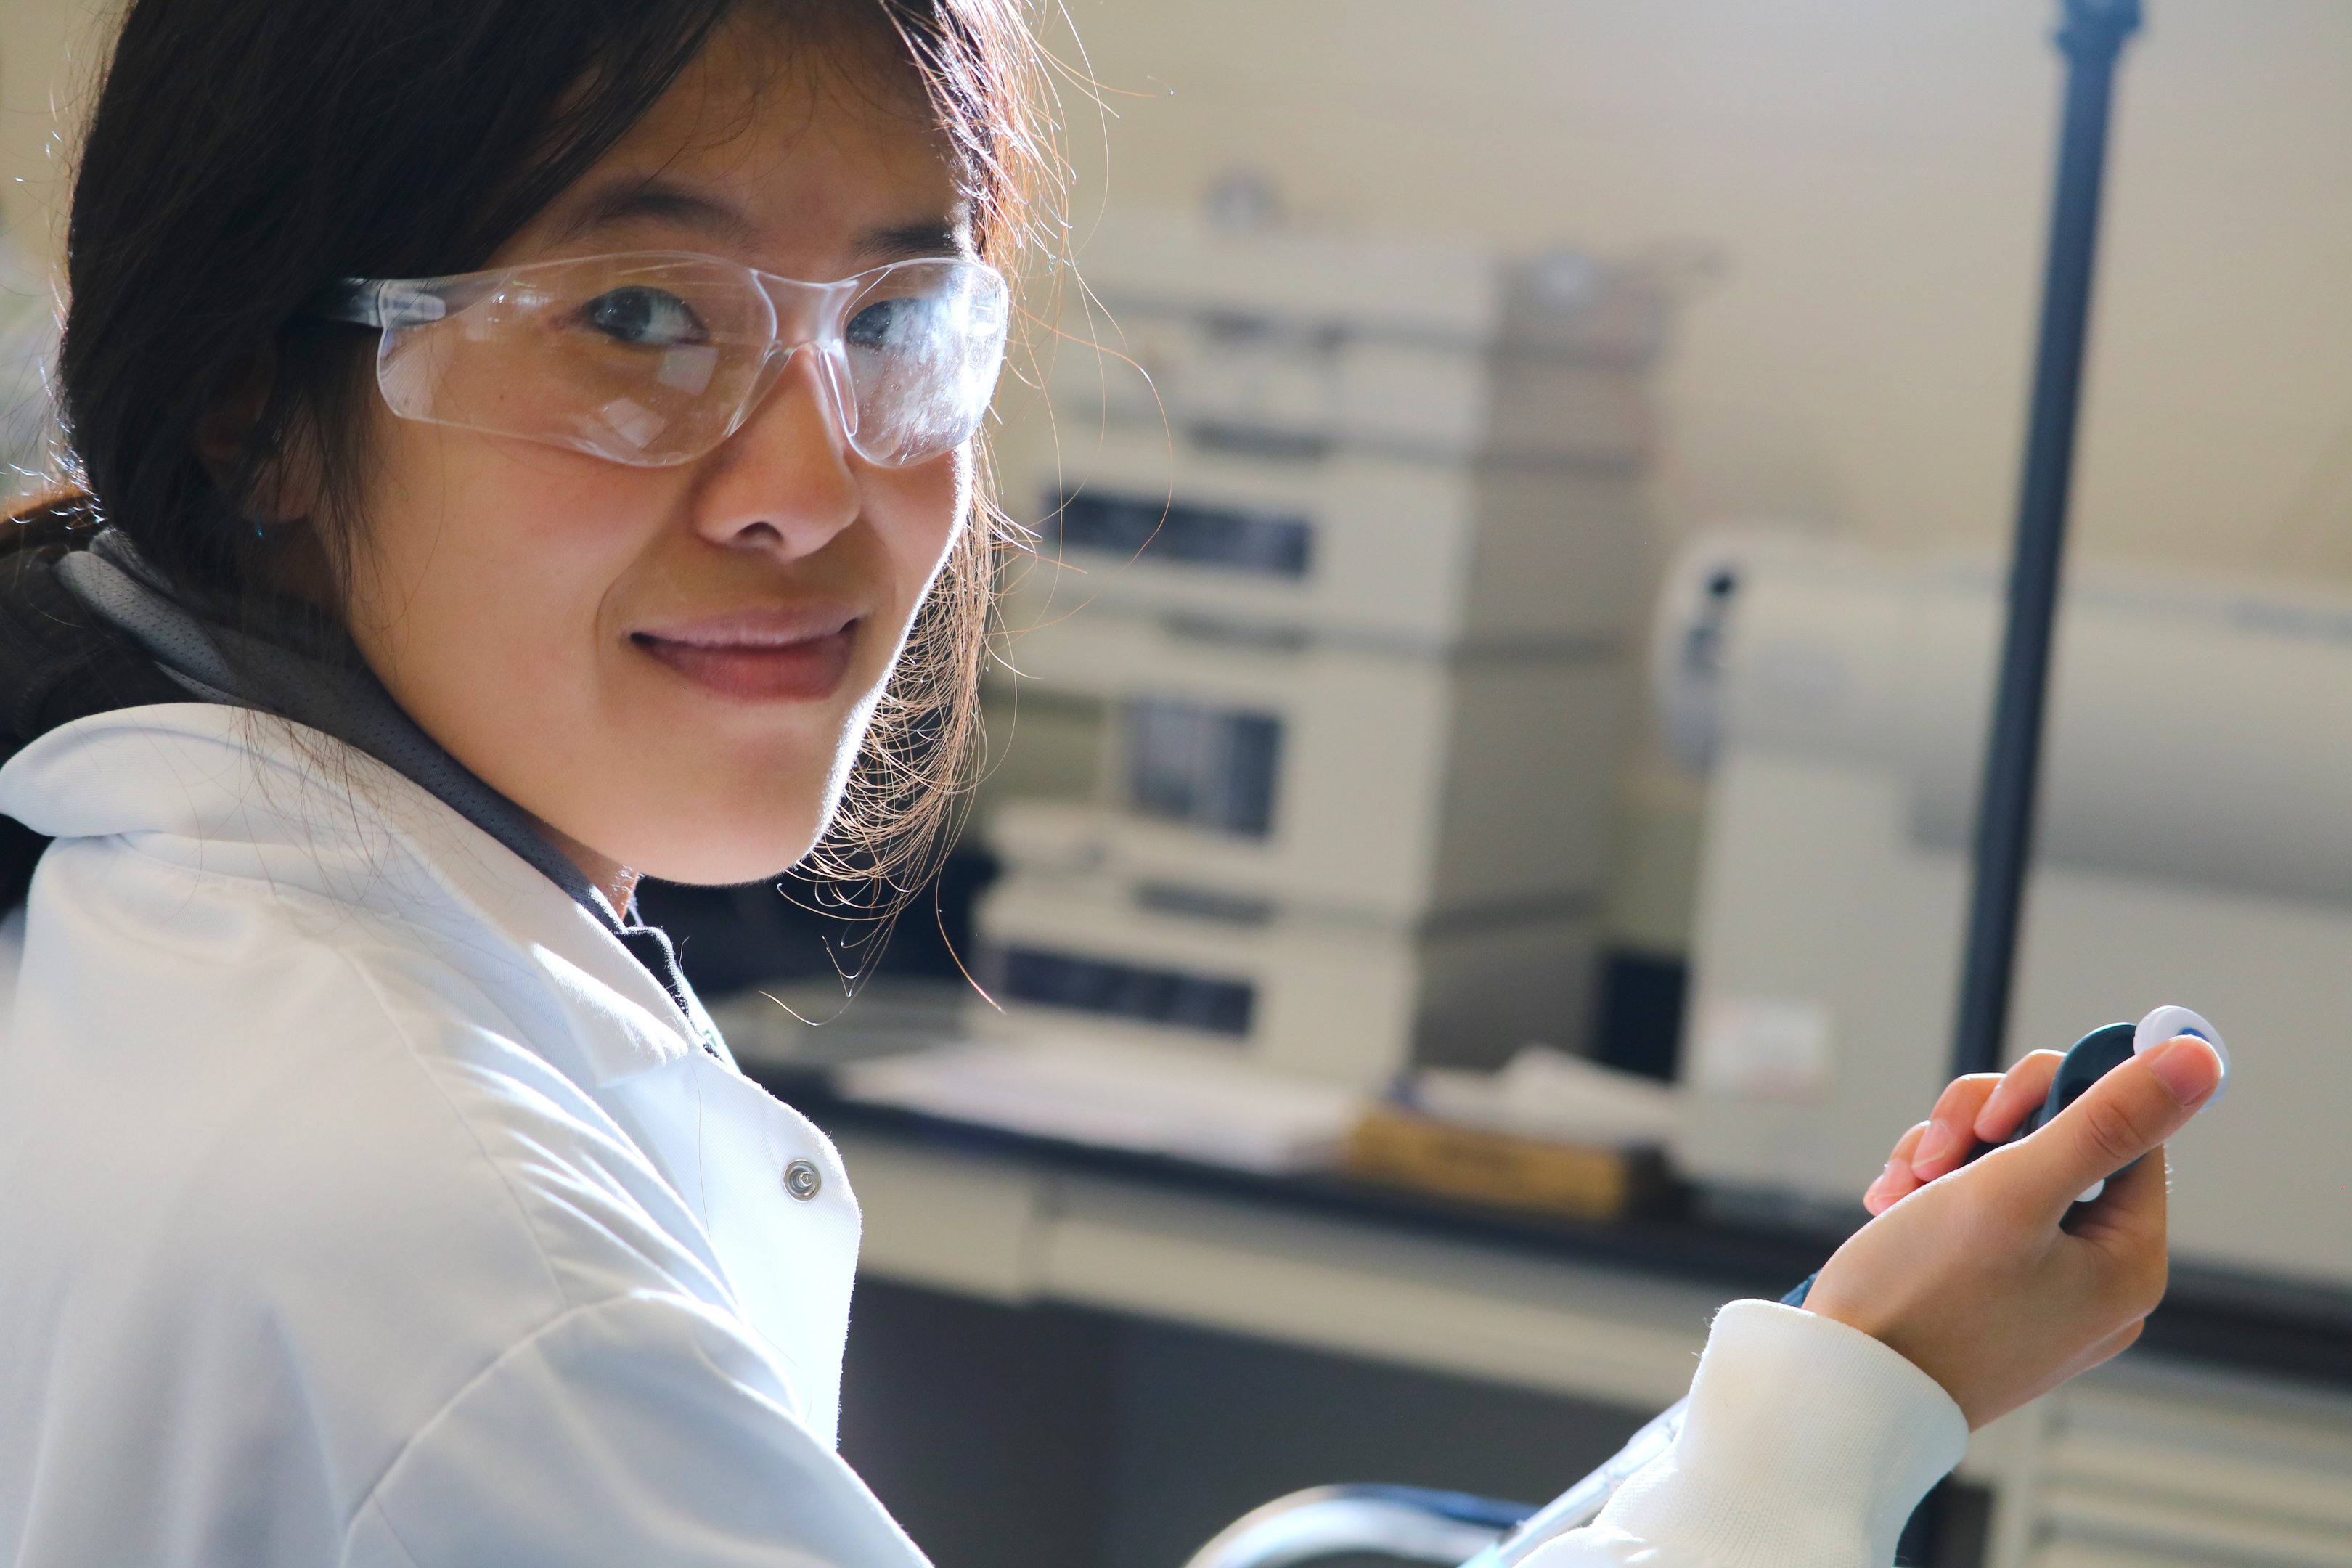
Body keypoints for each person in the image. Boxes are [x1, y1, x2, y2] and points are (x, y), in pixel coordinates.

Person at [0, 1, 2225, 1565]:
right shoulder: (465, 1257)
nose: (816, 487)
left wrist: (1831, 1372)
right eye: (637, 319)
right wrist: (1848, 1423)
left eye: (898, 319)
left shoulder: (157, 895)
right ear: (254, 404)